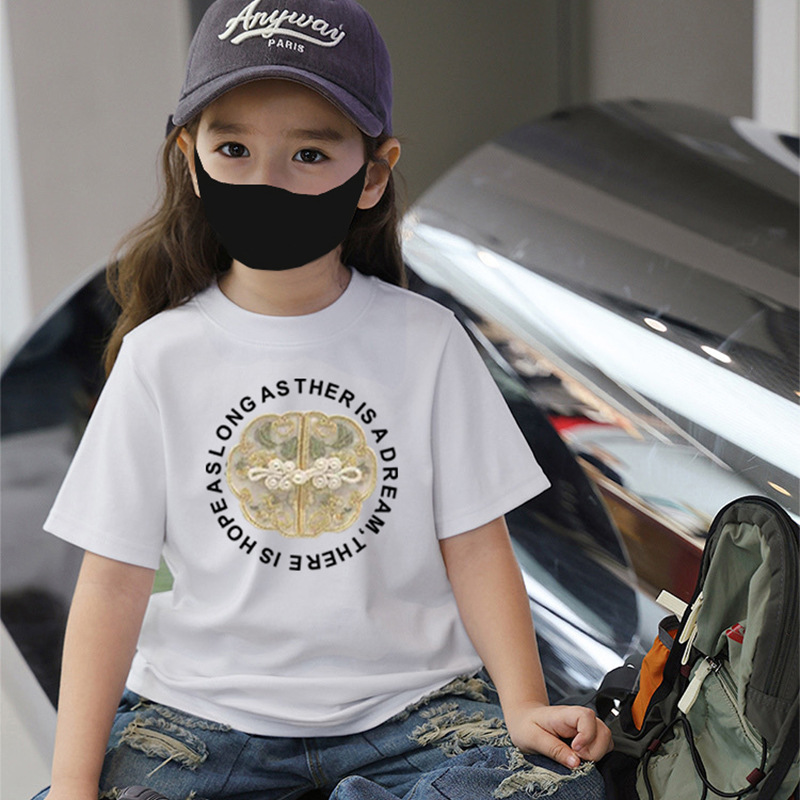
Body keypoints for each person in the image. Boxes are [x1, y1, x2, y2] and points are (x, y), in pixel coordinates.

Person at [34, 2, 612, 799]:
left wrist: (522, 707)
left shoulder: (428, 341)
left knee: (562, 784)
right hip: (199, 722)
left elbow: (478, 547)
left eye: (309, 153)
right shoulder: (158, 357)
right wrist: (72, 784)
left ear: (372, 174)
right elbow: (112, 582)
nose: (266, 180)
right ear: (191, 160)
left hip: (416, 714)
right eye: (234, 149)